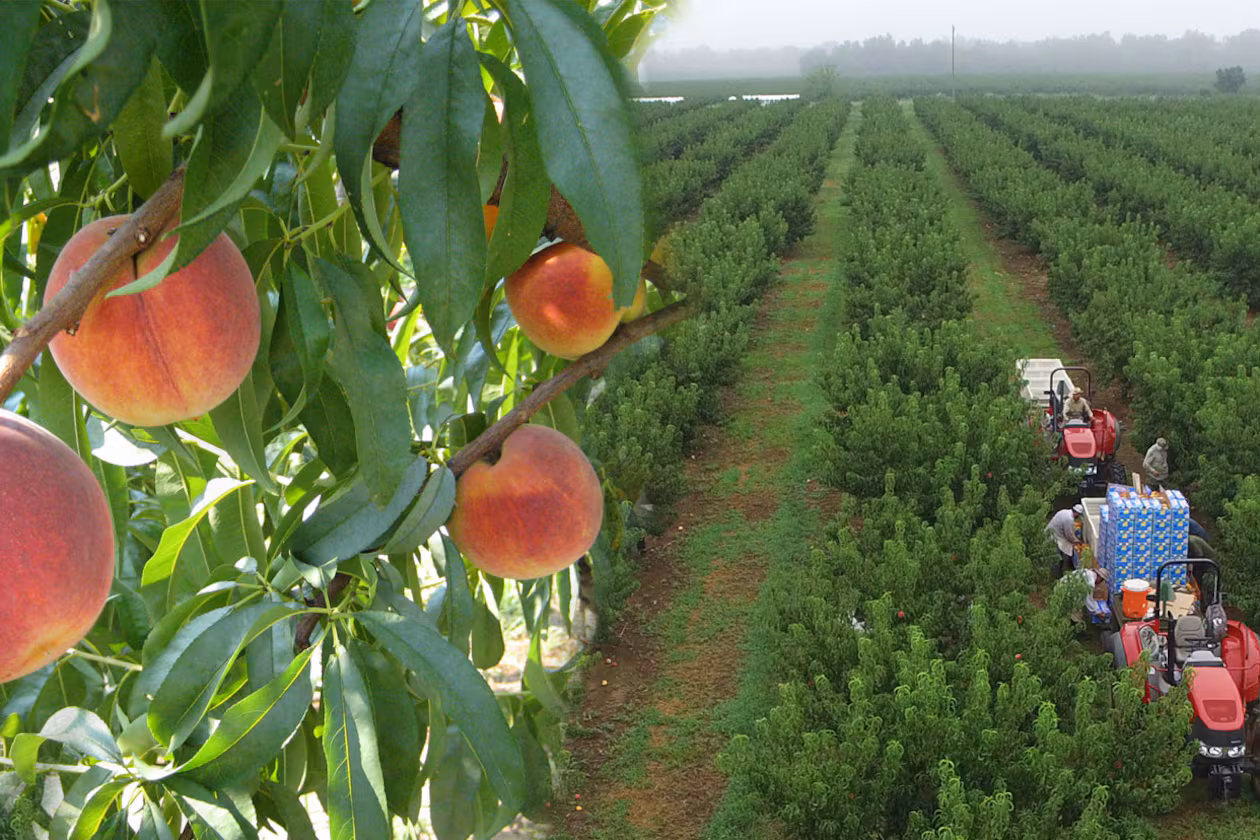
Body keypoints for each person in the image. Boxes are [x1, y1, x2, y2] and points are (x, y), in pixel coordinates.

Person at [1046, 504, 1083, 578]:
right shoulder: (1068, 519)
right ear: (1077, 514)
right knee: (1057, 558)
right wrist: (1077, 541)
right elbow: (1069, 535)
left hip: (1054, 533)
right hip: (1054, 538)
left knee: (1059, 556)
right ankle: (1056, 577)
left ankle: (1057, 574)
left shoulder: (1065, 512)